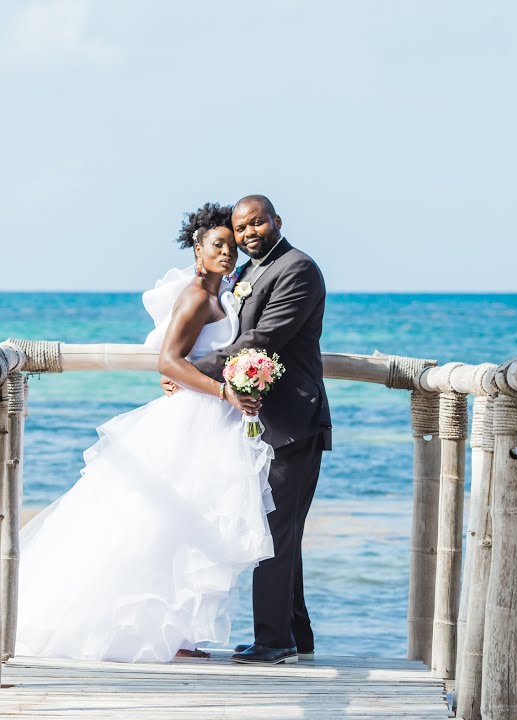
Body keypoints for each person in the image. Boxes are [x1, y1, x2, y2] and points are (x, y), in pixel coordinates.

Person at [0, 201, 277, 663]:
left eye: (231, 247)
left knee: (188, 526)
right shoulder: (195, 296)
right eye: (218, 246)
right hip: (192, 420)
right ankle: (134, 631)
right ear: (199, 250)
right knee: (160, 524)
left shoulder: (221, 295)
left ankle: (174, 633)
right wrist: (224, 392)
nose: (228, 254)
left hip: (209, 421)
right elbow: (168, 361)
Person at [165, 194, 332, 665]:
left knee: (276, 530)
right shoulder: (246, 272)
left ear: (277, 220)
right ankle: (295, 636)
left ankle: (274, 641)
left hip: (293, 418)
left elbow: (263, 338)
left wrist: (187, 366)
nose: (249, 233)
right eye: (242, 229)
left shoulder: (297, 269)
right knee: (283, 529)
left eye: (258, 223)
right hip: (264, 419)